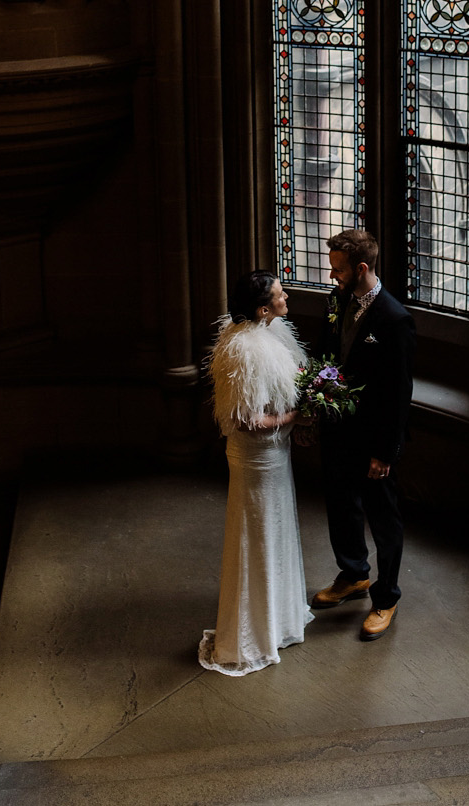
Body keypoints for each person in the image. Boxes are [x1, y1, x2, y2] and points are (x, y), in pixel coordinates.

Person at [198, 270, 313, 675]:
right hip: (256, 457)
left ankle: (278, 622)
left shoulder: (273, 332)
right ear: (264, 308)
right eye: (281, 296)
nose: (287, 300)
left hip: (274, 453)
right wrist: (298, 416)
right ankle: (250, 636)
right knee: (257, 535)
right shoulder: (244, 349)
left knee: (276, 529)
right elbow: (245, 420)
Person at [311, 228, 415, 641]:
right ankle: (353, 574)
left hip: (374, 442)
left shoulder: (394, 319)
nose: (331, 274)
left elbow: (398, 394)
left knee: (384, 520)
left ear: (361, 269)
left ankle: (386, 596)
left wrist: (384, 453)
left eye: (338, 269)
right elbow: (326, 357)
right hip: (338, 431)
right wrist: (314, 413)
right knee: (340, 505)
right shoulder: (337, 301)